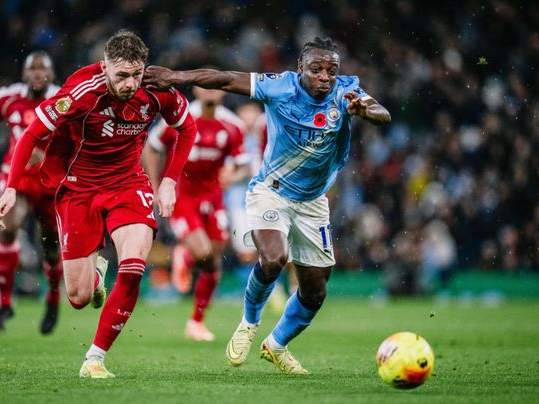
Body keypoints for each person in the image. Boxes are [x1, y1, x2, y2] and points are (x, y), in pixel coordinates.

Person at [144, 36, 391, 374]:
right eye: (316, 69)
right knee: (274, 258)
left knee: (315, 291)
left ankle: (276, 345)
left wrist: (364, 109)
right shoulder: (279, 86)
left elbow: (382, 113)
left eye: (331, 71)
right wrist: (176, 77)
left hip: (313, 202)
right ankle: (249, 322)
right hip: (270, 192)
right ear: (300, 68)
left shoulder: (347, 92)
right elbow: (226, 79)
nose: (324, 77)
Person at [0, 30, 196, 378]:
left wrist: (169, 181)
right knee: (78, 297)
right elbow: (31, 135)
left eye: (136, 74)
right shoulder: (81, 90)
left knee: (133, 267)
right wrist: (11, 188)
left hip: (128, 183)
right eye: (122, 75)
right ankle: (96, 275)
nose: (130, 83)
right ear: (104, 67)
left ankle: (95, 358)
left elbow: (187, 128)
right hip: (79, 188)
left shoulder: (156, 88)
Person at [0, 51, 64, 335]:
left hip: (49, 180)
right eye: (32, 68)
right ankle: (5, 302)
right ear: (24, 73)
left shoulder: (63, 99)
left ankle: (53, 296)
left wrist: (49, 156)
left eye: (43, 68)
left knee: (51, 246)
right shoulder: (7, 97)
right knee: (8, 226)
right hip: (16, 177)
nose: (37, 73)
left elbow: (75, 137)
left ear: (51, 74)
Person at [142, 86, 250, 342]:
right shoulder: (180, 118)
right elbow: (151, 148)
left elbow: (243, 167)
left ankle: (196, 322)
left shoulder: (232, 125)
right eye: (205, 86)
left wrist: (232, 176)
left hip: (214, 199)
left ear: (222, 92)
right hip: (184, 197)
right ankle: (185, 254)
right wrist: (156, 186)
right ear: (196, 90)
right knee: (202, 252)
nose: (210, 92)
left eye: (214, 87)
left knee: (213, 263)